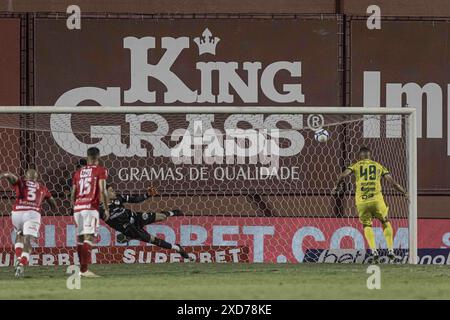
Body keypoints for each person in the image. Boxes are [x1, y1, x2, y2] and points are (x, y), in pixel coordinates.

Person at [333, 147, 408, 262]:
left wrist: (336, 187)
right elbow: (392, 183)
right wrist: (404, 193)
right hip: (377, 200)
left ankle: (374, 251)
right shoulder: (378, 166)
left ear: (360, 156)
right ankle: (391, 250)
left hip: (362, 201)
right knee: (385, 221)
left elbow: (343, 176)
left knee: (367, 225)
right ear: (370, 155)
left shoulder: (355, 165)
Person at [100, 186, 189, 259]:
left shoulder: (118, 198)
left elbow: (135, 200)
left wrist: (147, 195)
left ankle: (172, 213)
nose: (114, 192)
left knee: (161, 217)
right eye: (111, 191)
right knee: (152, 239)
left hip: (135, 217)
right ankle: (177, 248)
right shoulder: (100, 210)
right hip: (130, 229)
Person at [0, 169, 56, 277]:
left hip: (17, 212)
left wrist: (3, 175)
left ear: (25, 177)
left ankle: (18, 259)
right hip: (32, 213)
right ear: (36, 178)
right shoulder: (42, 188)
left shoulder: (21, 182)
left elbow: (9, 175)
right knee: (28, 241)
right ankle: (22, 264)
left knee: (19, 234)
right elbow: (52, 202)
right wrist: (53, 207)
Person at [71, 147, 109, 277]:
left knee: (81, 238)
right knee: (89, 238)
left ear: (87, 157)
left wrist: (73, 206)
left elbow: (73, 192)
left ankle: (81, 269)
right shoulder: (101, 170)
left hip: (77, 208)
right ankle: (84, 270)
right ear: (98, 157)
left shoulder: (78, 172)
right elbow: (103, 190)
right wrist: (106, 208)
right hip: (90, 208)